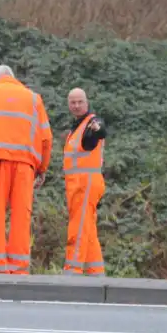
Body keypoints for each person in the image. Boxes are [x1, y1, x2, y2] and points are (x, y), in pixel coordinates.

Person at [0, 65, 53, 275]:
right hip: (25, 166)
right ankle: (19, 267)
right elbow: (46, 139)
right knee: (21, 215)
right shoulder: (33, 99)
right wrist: (42, 168)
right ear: (13, 78)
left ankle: (0, 266)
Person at [62, 88, 106, 276]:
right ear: (69, 104)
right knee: (87, 228)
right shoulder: (76, 127)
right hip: (78, 184)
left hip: (86, 182)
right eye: (73, 102)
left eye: (80, 102)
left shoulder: (92, 122)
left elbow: (99, 130)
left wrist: (98, 129)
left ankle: (73, 270)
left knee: (78, 228)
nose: (77, 105)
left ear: (87, 103)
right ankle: (96, 272)